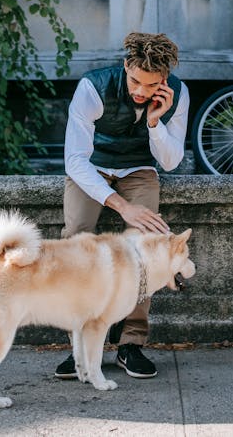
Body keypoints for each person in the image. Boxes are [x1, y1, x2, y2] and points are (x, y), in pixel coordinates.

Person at [54, 32, 190, 379]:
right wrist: (121, 207)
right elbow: (75, 160)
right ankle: (81, 345)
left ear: (164, 79)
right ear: (126, 65)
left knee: (148, 247)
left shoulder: (179, 94)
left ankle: (130, 342)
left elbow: (171, 162)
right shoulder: (93, 88)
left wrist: (155, 121)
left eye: (151, 84)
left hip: (139, 169)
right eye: (135, 81)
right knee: (75, 240)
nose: (141, 91)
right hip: (92, 168)